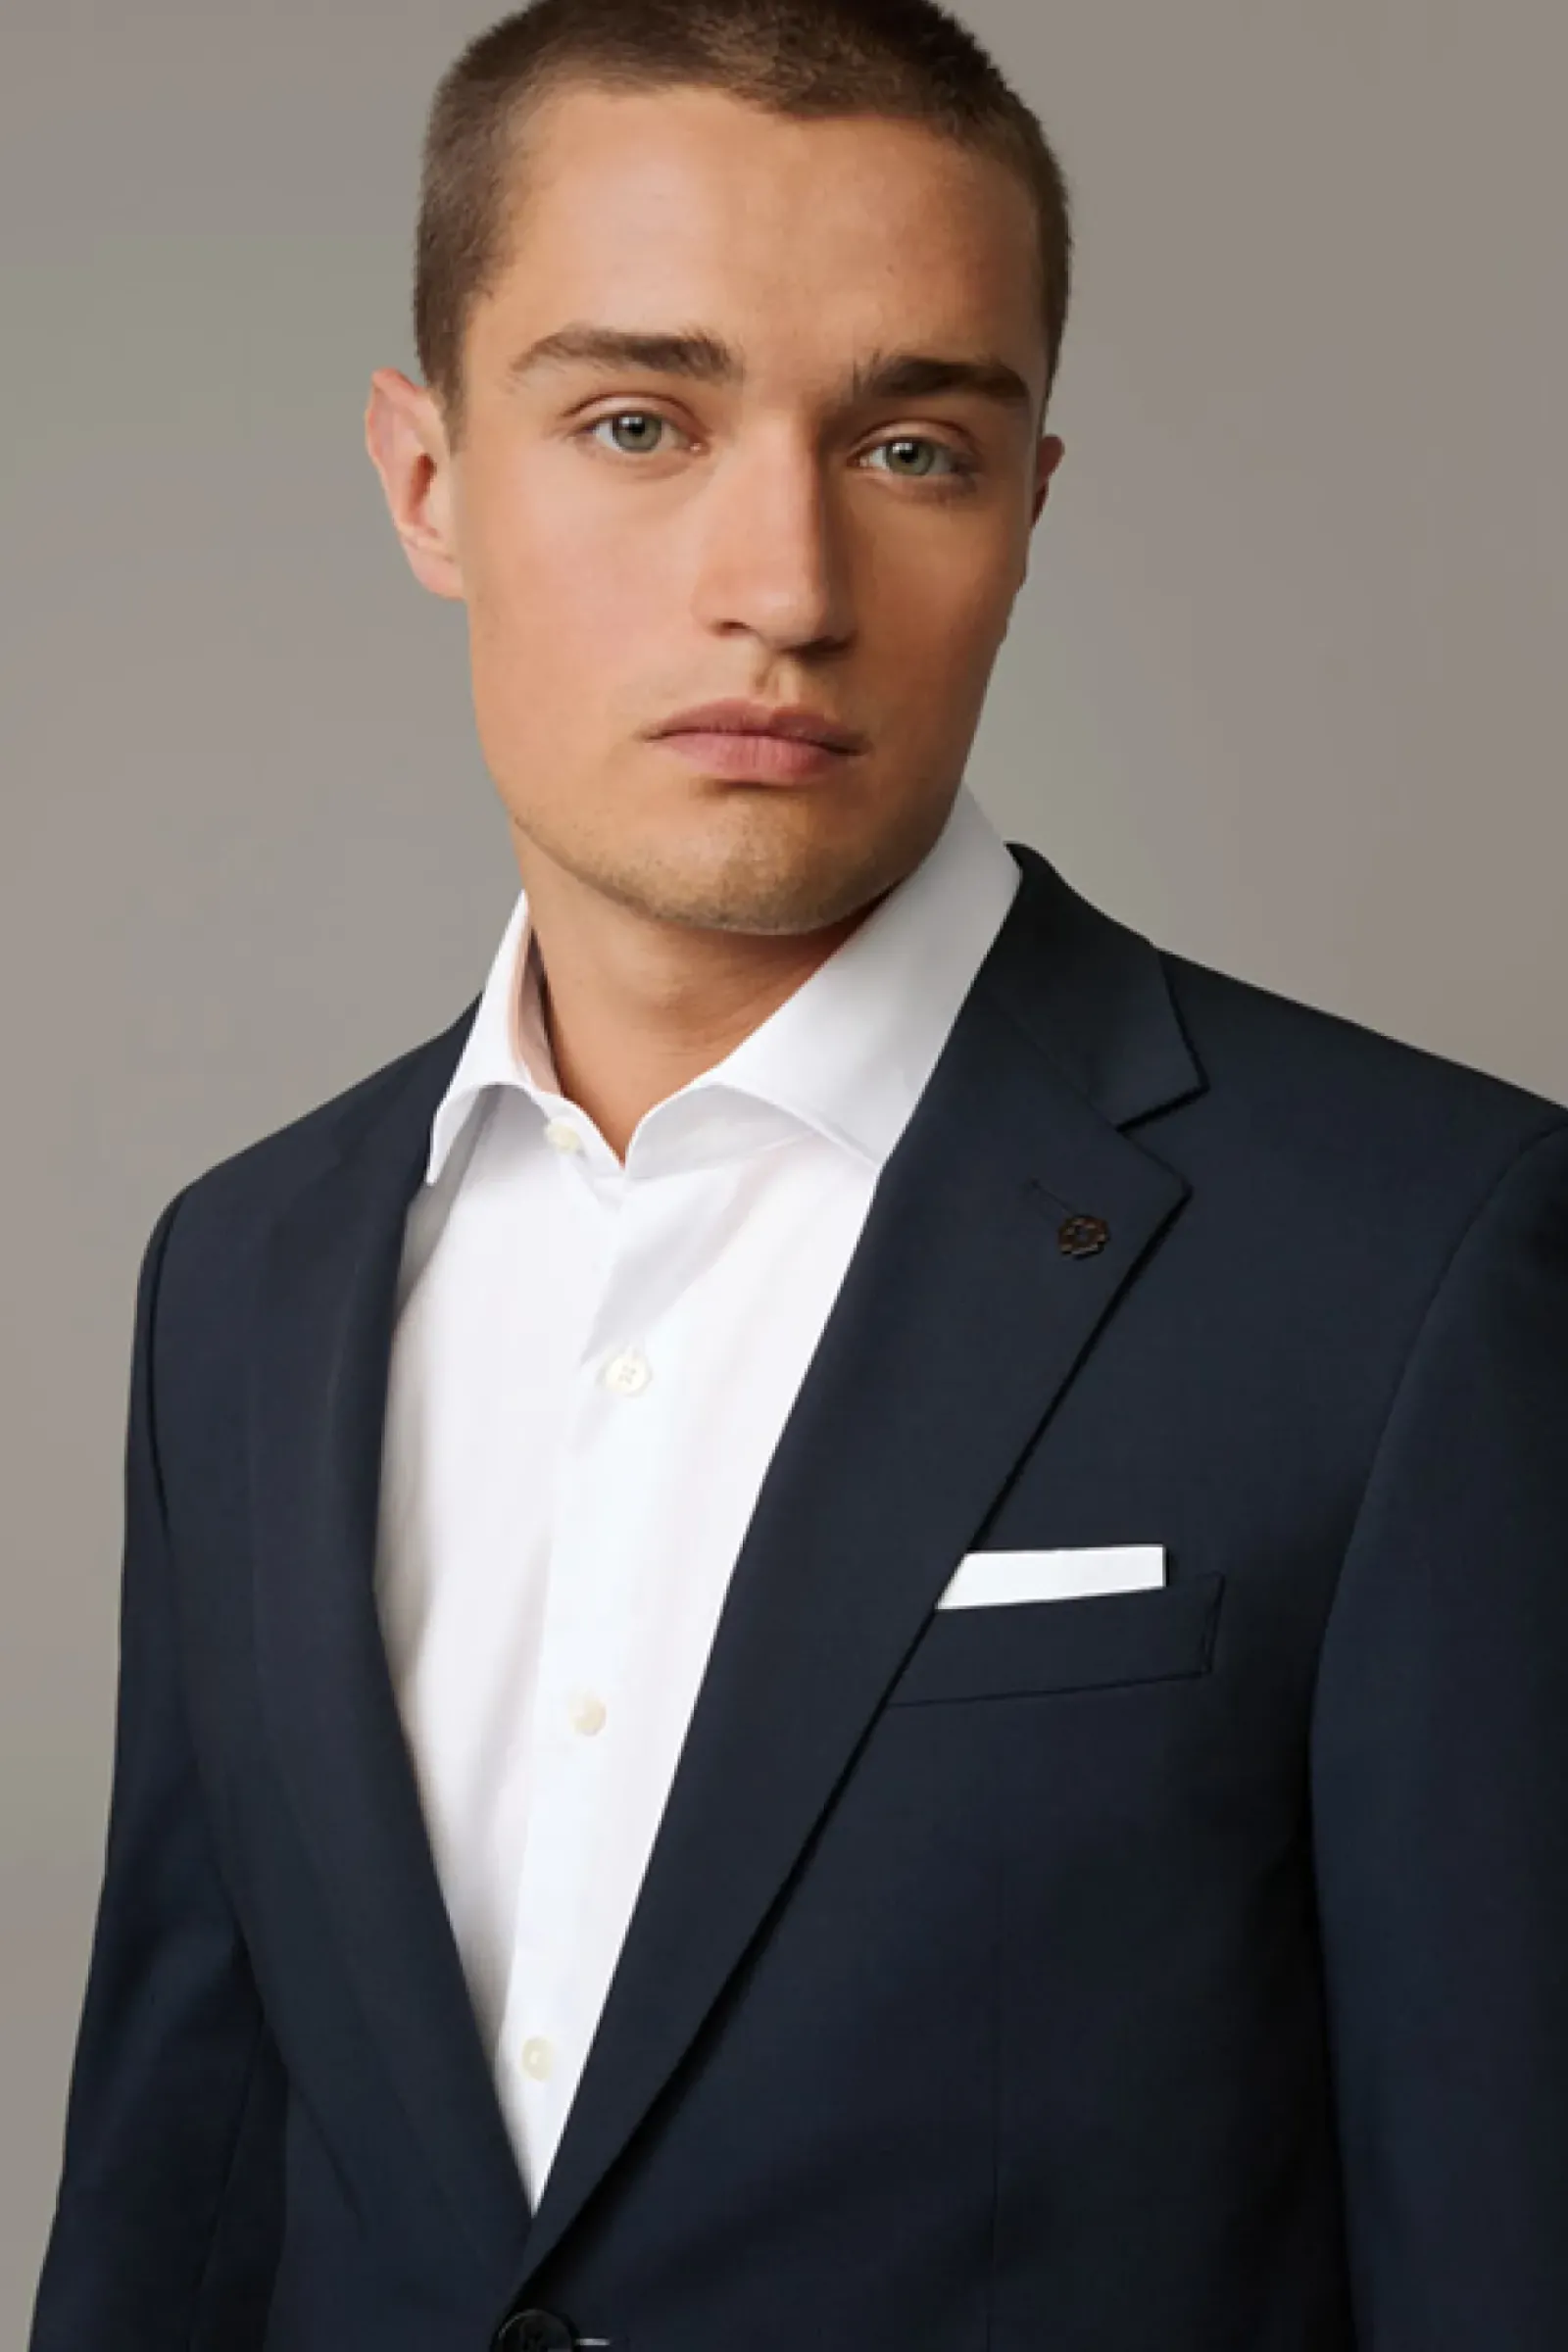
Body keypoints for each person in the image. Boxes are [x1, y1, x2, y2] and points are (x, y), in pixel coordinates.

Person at [27, 1, 1568, 2346]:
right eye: (637, 423)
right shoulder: (243, 1275)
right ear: (427, 481)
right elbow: (182, 2188)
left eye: (911, 448)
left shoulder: (1419, 1262)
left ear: (1025, 510)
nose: (784, 582)